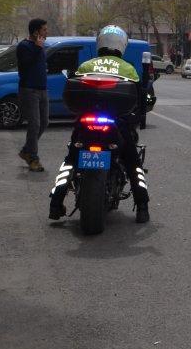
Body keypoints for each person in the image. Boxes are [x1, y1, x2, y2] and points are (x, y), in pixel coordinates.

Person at [49, 25, 150, 224]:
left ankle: (55, 203)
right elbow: (138, 98)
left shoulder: (87, 65)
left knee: (70, 159)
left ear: (100, 43)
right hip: (116, 122)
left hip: (86, 121)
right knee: (132, 163)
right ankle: (143, 207)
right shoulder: (128, 68)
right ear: (122, 45)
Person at [17, 18, 49, 172]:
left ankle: (26, 151)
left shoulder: (40, 47)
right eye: (44, 30)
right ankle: (33, 159)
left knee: (44, 122)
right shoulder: (24, 46)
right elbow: (25, 65)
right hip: (29, 90)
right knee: (34, 124)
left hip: (43, 89)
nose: (46, 33)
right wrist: (37, 48)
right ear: (36, 32)